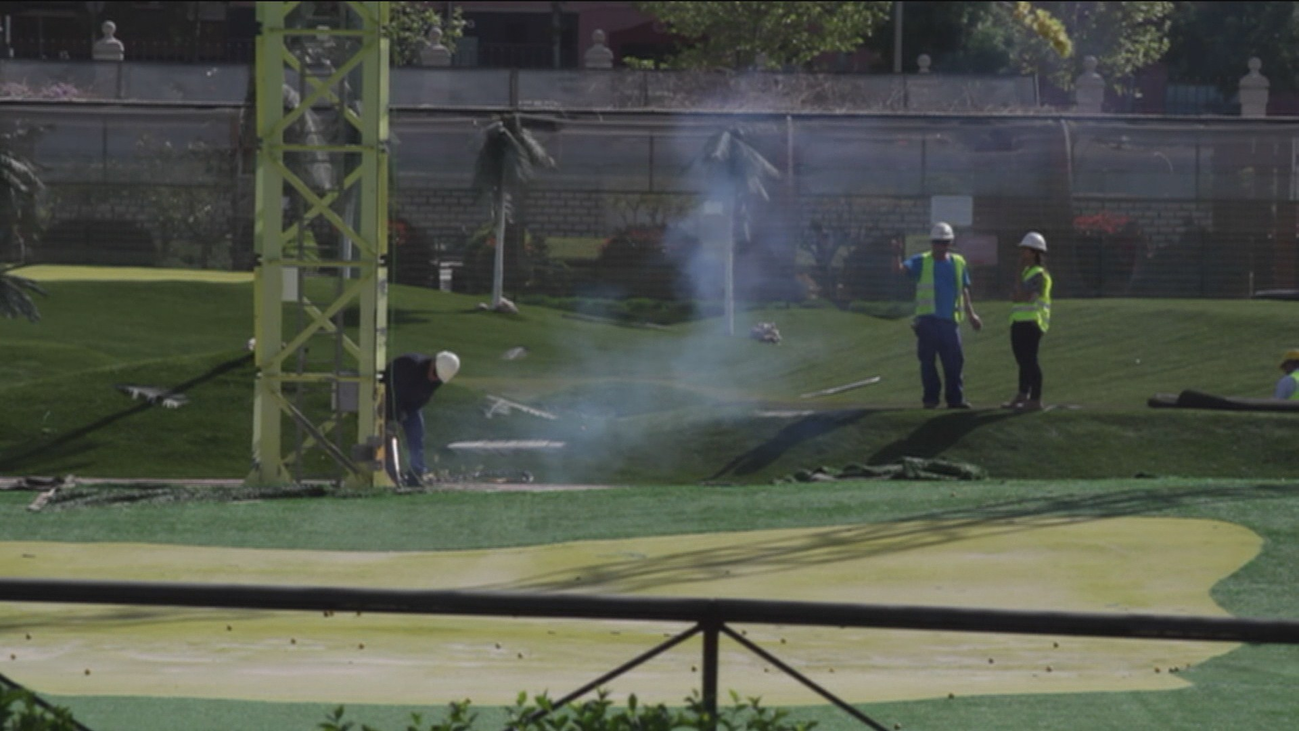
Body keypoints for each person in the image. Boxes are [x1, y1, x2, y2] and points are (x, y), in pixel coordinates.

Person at [893, 222, 983, 409]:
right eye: (936, 243)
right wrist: (896, 253)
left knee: (954, 362)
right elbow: (900, 270)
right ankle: (931, 398)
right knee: (928, 362)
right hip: (927, 321)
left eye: (943, 243)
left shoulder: (958, 262)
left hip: (949, 322)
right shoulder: (922, 261)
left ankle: (955, 399)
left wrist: (971, 314)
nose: (940, 246)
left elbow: (964, 290)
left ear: (949, 243)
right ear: (932, 243)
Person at [384, 351, 460, 486]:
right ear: (432, 364)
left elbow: (423, 399)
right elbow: (393, 393)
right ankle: (389, 473)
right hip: (386, 401)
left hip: (409, 406)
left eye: (438, 378)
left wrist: (407, 412)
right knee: (387, 438)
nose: (434, 379)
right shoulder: (408, 366)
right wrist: (393, 417)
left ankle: (416, 473)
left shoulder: (437, 379)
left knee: (416, 435)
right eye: (435, 374)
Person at [1003, 232, 1053, 411]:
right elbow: (1016, 295)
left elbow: (1026, 296)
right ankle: (1022, 394)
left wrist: (1018, 294)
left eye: (1025, 249)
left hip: (1032, 322)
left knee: (1029, 360)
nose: (1022, 253)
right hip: (1019, 320)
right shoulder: (1026, 272)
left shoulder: (1039, 274)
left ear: (1034, 252)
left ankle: (1035, 398)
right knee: (1022, 360)